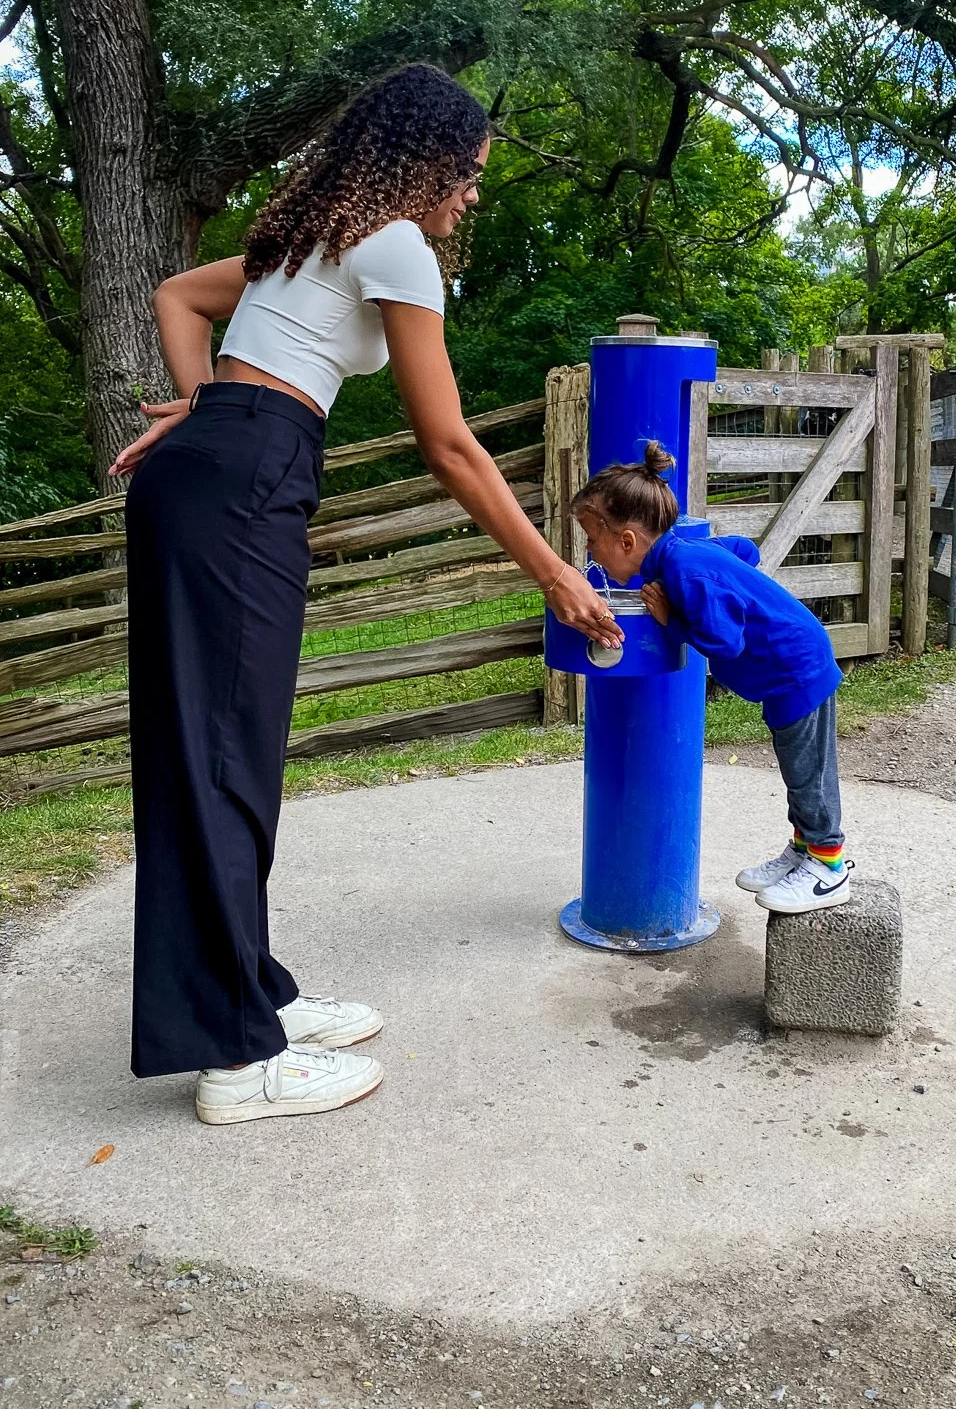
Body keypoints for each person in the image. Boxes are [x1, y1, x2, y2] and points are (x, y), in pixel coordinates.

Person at [111, 62, 624, 1125]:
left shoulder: (306, 241)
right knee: (221, 763)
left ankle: (248, 999)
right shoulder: (392, 245)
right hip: (245, 477)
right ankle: (237, 1064)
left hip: (224, 470)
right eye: (469, 173)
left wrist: (203, 410)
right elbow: (451, 445)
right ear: (424, 161)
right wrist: (557, 570)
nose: (471, 195)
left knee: (225, 755)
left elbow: (177, 299)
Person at [570, 442, 851, 915]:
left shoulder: (683, 570)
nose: (590, 554)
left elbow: (725, 643)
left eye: (592, 541)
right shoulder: (681, 552)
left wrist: (671, 620)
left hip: (796, 670)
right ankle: (803, 851)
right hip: (785, 671)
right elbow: (747, 550)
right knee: (799, 768)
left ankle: (830, 865)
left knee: (808, 774)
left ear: (627, 542)